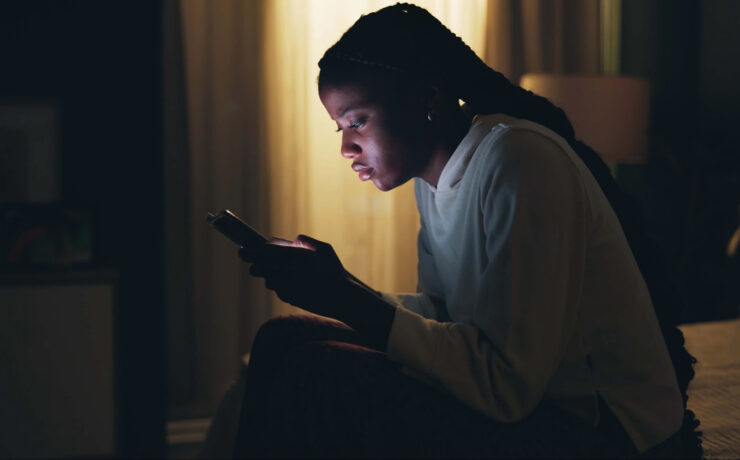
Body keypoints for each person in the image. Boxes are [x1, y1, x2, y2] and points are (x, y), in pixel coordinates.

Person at [214, 4, 702, 459]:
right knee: (281, 338)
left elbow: (507, 386)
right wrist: (341, 285)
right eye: (339, 128)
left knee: (315, 372)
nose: (346, 147)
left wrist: (347, 301)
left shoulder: (519, 161)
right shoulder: (435, 179)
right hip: (531, 398)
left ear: (425, 100)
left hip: (606, 428)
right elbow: (447, 318)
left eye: (357, 122)